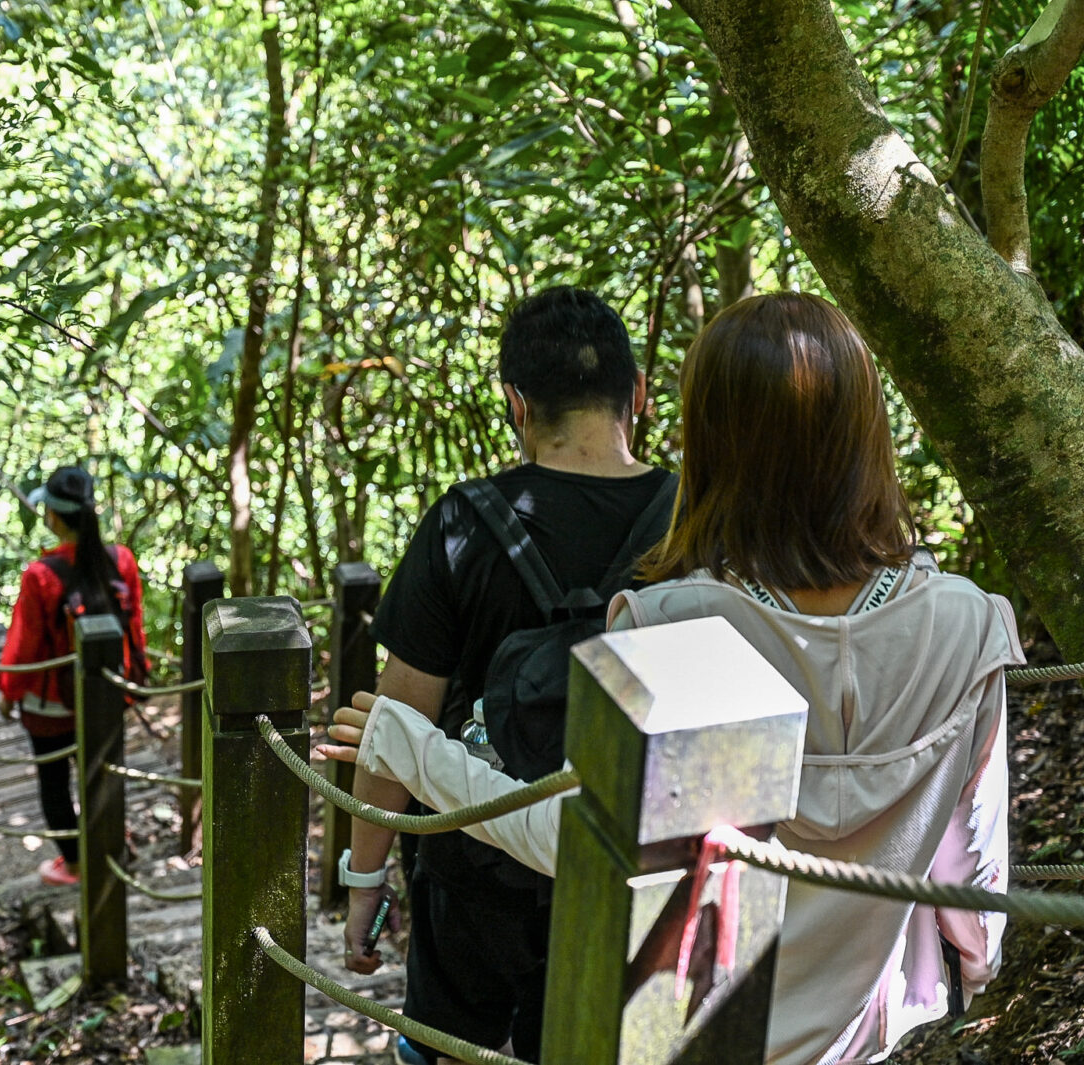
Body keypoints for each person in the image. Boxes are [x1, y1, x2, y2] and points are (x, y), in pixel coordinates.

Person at [318, 292, 1021, 1065]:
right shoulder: (970, 622)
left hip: (692, 1039)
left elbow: (573, 838)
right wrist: (956, 971)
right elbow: (976, 896)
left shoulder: (675, 622)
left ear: (712, 437)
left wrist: (413, 748)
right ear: (868, 431)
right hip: (864, 1038)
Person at [339, 286, 674, 1064]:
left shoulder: (463, 523)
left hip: (478, 880)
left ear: (516, 403)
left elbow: (397, 725)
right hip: (639, 868)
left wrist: (366, 884)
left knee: (450, 1050)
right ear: (640, 394)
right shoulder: (696, 521)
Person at [0, 465, 148, 887]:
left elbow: (24, 644)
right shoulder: (121, 560)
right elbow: (133, 624)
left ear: (55, 516)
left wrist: (9, 690)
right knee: (101, 769)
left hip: (52, 703)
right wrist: (138, 677)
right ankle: (112, 843)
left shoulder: (41, 575)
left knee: (54, 782)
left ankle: (77, 864)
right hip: (107, 691)